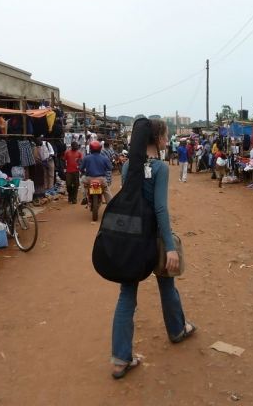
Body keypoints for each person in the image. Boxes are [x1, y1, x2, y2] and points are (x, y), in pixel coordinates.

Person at [111, 119, 196, 379]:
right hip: (156, 239)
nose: (167, 140)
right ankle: (177, 330)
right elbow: (160, 209)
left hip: (132, 239)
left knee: (127, 296)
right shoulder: (159, 168)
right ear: (159, 139)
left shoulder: (128, 167)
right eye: (166, 136)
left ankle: (119, 359)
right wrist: (170, 247)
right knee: (167, 285)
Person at [80, 140, 113, 205]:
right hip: (101, 179)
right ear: (100, 149)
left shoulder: (86, 158)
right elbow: (110, 168)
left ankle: (84, 197)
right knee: (106, 190)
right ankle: (111, 205)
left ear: (90, 149)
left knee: (81, 181)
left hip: (89, 179)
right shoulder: (104, 158)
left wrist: (83, 172)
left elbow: (81, 168)